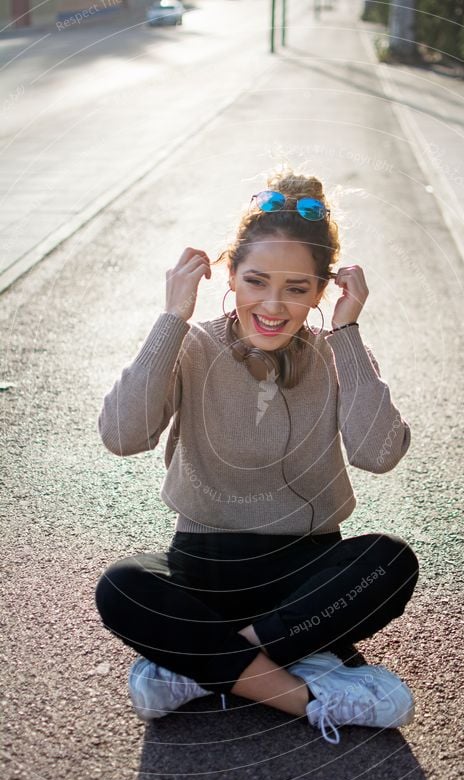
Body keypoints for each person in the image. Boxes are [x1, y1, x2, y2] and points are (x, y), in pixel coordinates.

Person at [94, 169, 419, 746]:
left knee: (390, 562)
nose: (273, 305)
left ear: (321, 290)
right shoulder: (192, 345)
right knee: (121, 586)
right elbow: (122, 434)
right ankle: (308, 690)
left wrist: (347, 330)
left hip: (308, 575)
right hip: (202, 569)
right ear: (231, 276)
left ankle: (197, 668)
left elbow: (378, 453)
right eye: (256, 281)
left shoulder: (336, 353)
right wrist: (172, 317)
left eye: (297, 288)